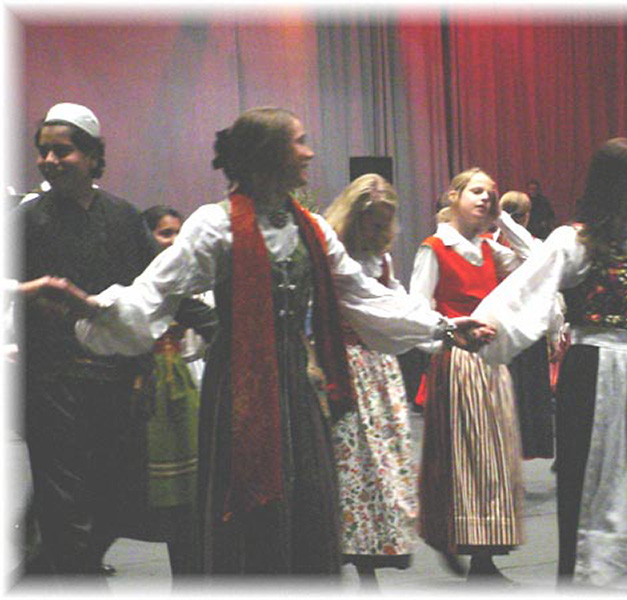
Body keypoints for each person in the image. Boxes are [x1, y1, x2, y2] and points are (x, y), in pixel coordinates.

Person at [48, 106, 491, 576]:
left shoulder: (310, 228)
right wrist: (93, 308)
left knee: (307, 501)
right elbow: (156, 291)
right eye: (299, 141)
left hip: (297, 389)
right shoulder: (216, 224)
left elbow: (362, 294)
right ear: (269, 154)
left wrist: (442, 327)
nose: (309, 152)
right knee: (249, 511)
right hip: (239, 390)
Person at [472, 138, 627, 588]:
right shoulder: (574, 241)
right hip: (595, 376)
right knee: (591, 491)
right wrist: (485, 326)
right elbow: (527, 288)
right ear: (612, 189)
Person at [13, 102, 157, 577]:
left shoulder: (123, 216)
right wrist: (31, 290)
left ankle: (43, 575)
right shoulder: (26, 220)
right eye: (44, 151)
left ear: (94, 156)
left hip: (114, 383)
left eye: (62, 151)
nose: (49, 161)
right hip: (50, 383)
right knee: (64, 504)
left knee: (114, 499)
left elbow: (152, 288)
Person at [410, 169, 540, 580]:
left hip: (490, 362)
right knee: (466, 459)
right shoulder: (435, 248)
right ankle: (451, 536)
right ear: (455, 196)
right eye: (477, 191)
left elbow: (534, 261)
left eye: (491, 193)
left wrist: (503, 220)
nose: (485, 198)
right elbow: (418, 311)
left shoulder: (488, 248)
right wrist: (448, 335)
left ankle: (484, 559)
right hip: (457, 360)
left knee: (494, 458)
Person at [321, 174, 417, 586]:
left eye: (385, 223)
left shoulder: (383, 262)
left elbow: (397, 304)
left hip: (379, 368)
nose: (380, 232)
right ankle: (349, 556)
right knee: (351, 461)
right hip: (345, 364)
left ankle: (373, 553)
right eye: (373, 223)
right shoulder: (335, 258)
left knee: (384, 460)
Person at [120, 205, 217, 577]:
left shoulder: (183, 282)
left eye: (179, 232)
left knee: (187, 496)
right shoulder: (137, 281)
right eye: (165, 233)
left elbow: (206, 324)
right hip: (139, 387)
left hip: (179, 381)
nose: (174, 241)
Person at [496, 190, 558, 459]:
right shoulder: (533, 246)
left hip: (501, 326)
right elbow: (547, 290)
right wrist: (554, 332)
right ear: (527, 216)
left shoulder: (488, 243)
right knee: (525, 390)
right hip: (521, 326)